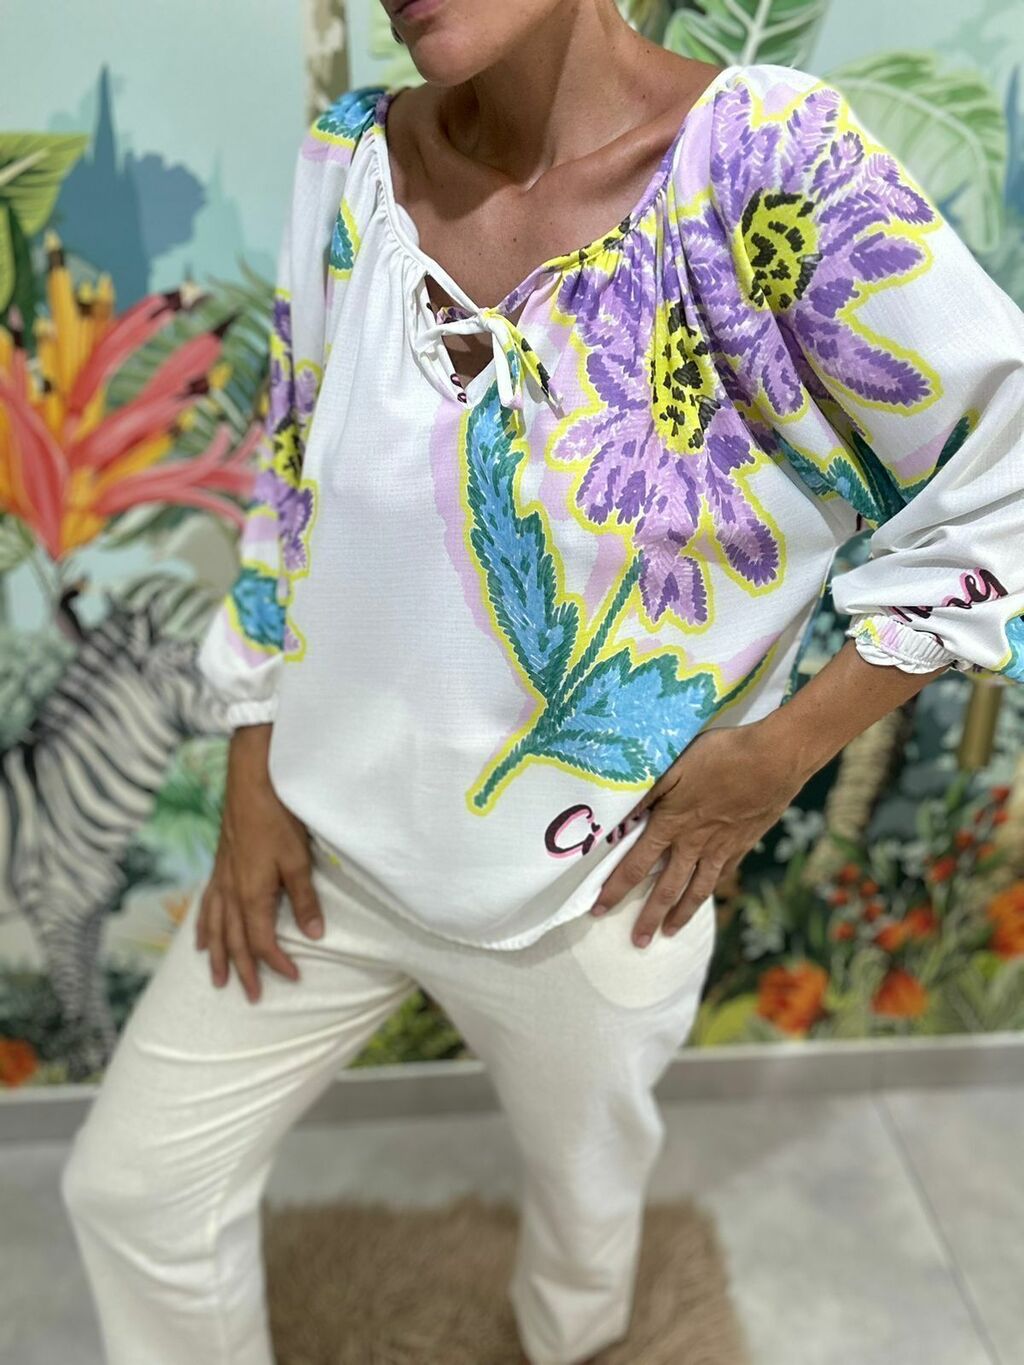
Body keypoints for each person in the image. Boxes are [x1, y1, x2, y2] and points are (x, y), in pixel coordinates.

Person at [60, 2, 1024, 1363]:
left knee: (584, 1240)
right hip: (324, 846)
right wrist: (250, 754)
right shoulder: (349, 161)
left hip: (600, 891)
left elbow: (1004, 473)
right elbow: (291, 470)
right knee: (132, 1189)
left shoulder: (765, 164)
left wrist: (779, 756)